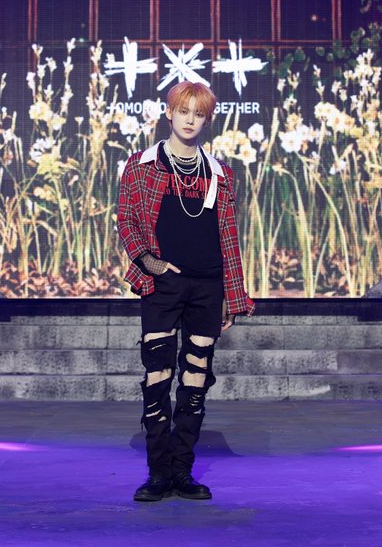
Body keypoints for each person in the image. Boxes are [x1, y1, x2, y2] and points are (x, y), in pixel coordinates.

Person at [117, 81, 254, 502]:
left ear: (207, 120)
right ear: (169, 113)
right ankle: (158, 473)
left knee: (195, 380)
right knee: (157, 376)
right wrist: (151, 262)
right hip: (162, 284)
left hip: (208, 286)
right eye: (183, 111)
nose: (190, 120)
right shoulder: (141, 165)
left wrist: (233, 293)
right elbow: (126, 220)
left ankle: (182, 471)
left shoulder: (219, 172)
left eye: (199, 114)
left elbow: (228, 236)